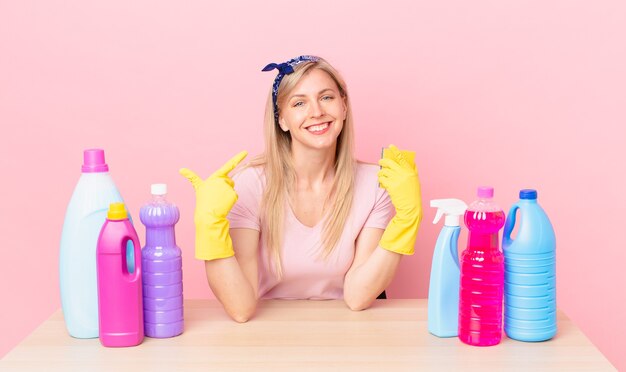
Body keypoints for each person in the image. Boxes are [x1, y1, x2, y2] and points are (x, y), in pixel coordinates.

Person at [180, 55, 422, 322]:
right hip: (268, 330)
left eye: (326, 97)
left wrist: (406, 220)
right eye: (299, 103)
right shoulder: (250, 185)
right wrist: (208, 226)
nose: (316, 112)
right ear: (281, 120)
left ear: (343, 105)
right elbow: (241, 308)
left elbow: (357, 297)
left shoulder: (376, 184)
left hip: (347, 329)